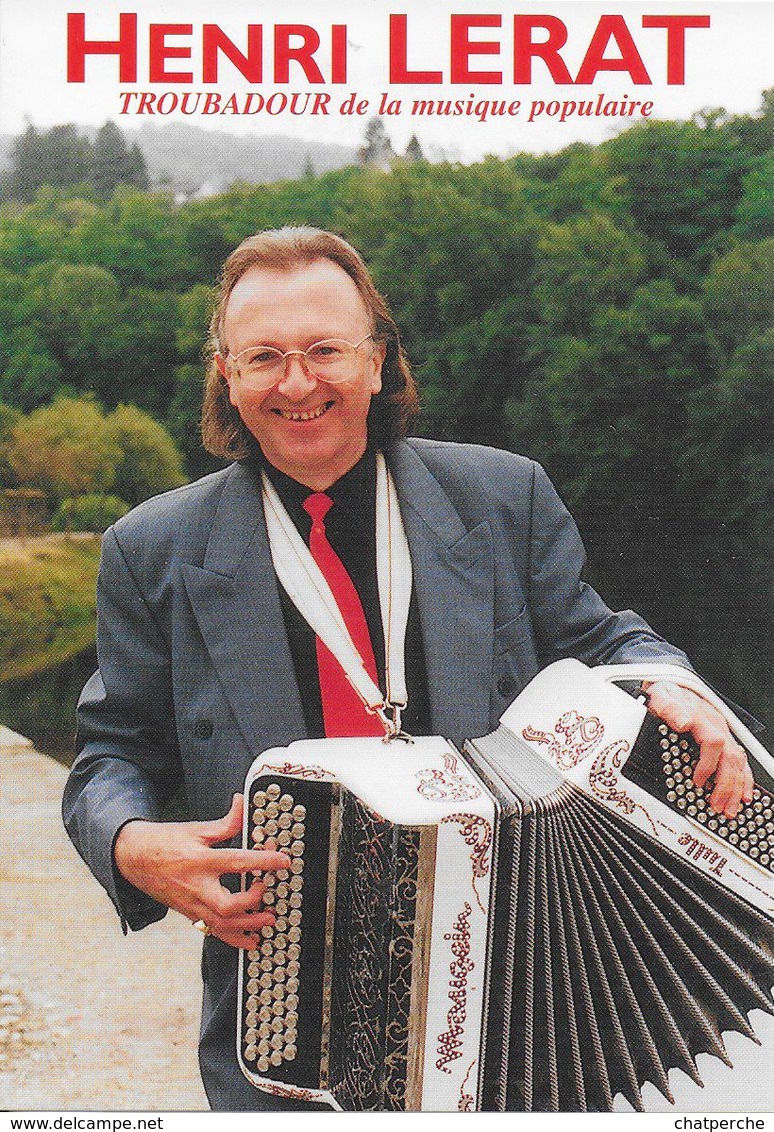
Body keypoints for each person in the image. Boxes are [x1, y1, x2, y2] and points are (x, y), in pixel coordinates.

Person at [63, 226, 754, 1112]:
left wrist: (677, 687)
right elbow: (111, 754)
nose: (298, 382)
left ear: (379, 361)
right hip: (284, 1013)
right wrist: (132, 843)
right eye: (264, 356)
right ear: (227, 376)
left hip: (528, 999)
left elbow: (605, 639)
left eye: (326, 350)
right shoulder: (149, 549)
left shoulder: (504, 497)